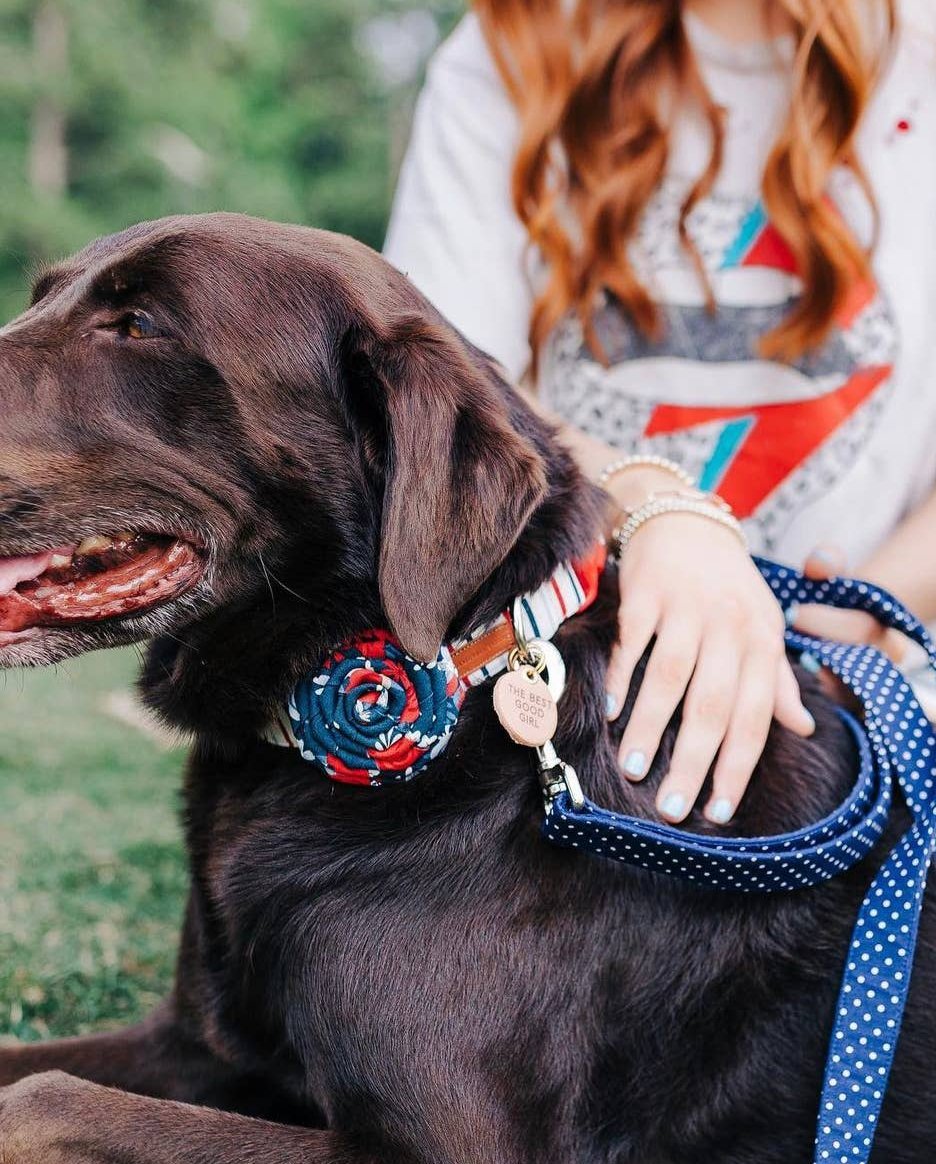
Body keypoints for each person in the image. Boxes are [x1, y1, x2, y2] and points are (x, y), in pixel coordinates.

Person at [384, 0, 936, 826]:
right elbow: (450, 380)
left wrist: (862, 611)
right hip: (578, 686)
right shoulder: (513, 42)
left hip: (875, 689)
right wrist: (659, 510)